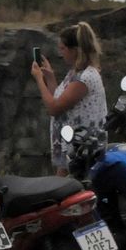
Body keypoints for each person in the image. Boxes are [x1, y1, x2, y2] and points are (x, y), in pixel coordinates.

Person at [31, 22, 106, 174]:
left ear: (75, 50)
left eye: (63, 48)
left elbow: (54, 108)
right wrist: (50, 78)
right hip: (72, 149)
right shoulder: (75, 73)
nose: (61, 53)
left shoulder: (84, 78)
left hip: (82, 151)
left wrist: (39, 80)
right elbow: (60, 100)